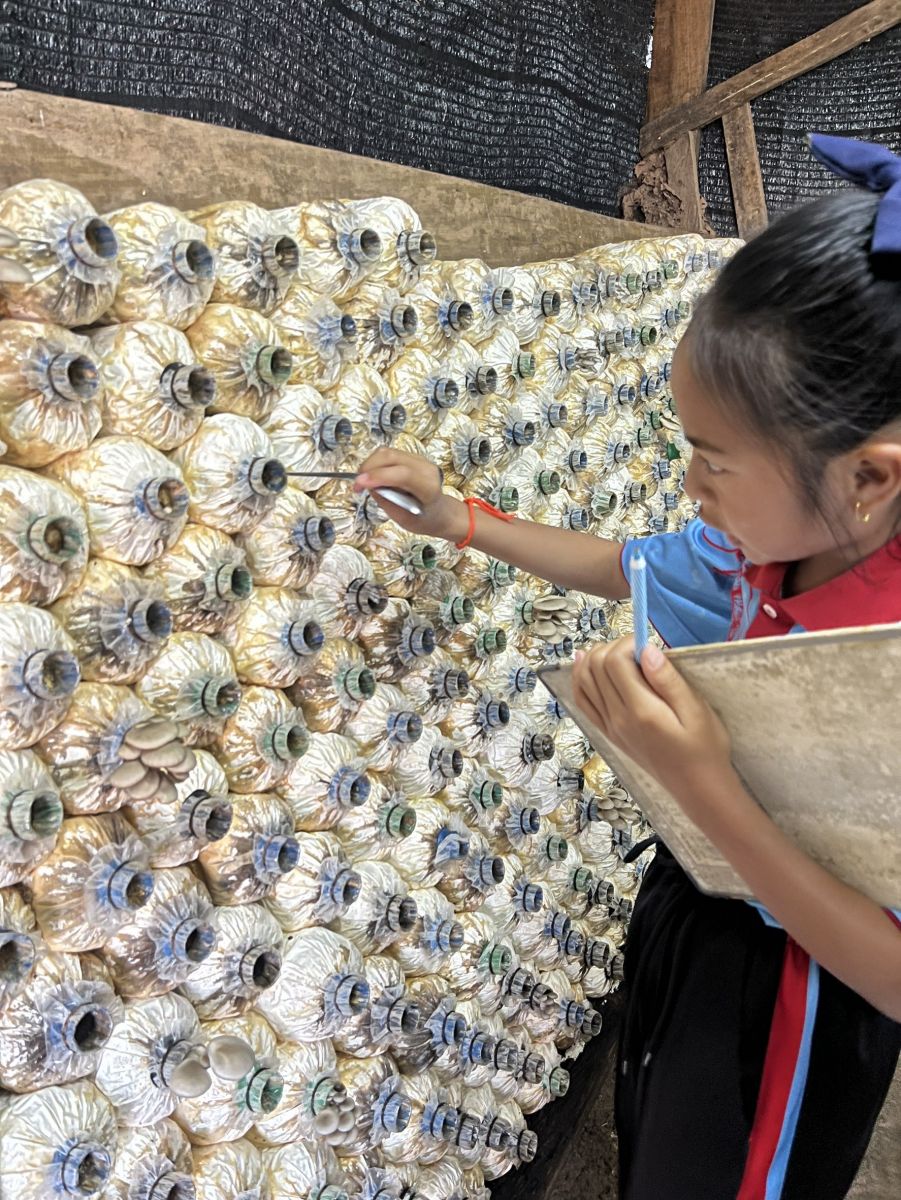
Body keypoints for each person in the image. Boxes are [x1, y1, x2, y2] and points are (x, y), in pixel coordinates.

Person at [355, 133, 901, 1199]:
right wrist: (458, 518)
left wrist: (699, 781)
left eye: (713, 461)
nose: (690, 487)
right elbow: (624, 564)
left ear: (868, 479)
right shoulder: (762, 545)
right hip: (702, 900)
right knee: (661, 1140)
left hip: (803, 990)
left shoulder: (880, 666)